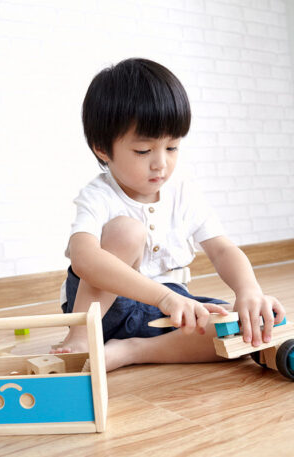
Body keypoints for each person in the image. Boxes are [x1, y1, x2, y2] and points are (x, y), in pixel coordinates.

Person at [52, 57, 285, 372]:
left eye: (172, 147)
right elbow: (84, 259)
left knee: (236, 326)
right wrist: (162, 298)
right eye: (143, 151)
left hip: (165, 312)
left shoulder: (183, 193)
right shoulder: (99, 196)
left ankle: (132, 351)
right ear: (103, 149)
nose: (160, 163)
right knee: (127, 231)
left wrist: (249, 291)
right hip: (103, 309)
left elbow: (222, 249)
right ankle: (81, 338)